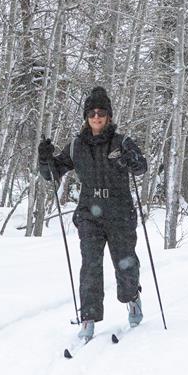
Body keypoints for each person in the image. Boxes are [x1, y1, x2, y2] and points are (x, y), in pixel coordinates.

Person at [37, 86, 148, 342]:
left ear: (108, 116)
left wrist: (132, 159)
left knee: (125, 263)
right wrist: (45, 159)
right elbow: (52, 174)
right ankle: (88, 318)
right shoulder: (76, 145)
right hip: (90, 214)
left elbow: (141, 167)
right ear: (86, 117)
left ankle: (132, 298)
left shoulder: (121, 142)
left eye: (101, 113)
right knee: (90, 267)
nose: (96, 117)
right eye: (92, 113)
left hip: (119, 212)